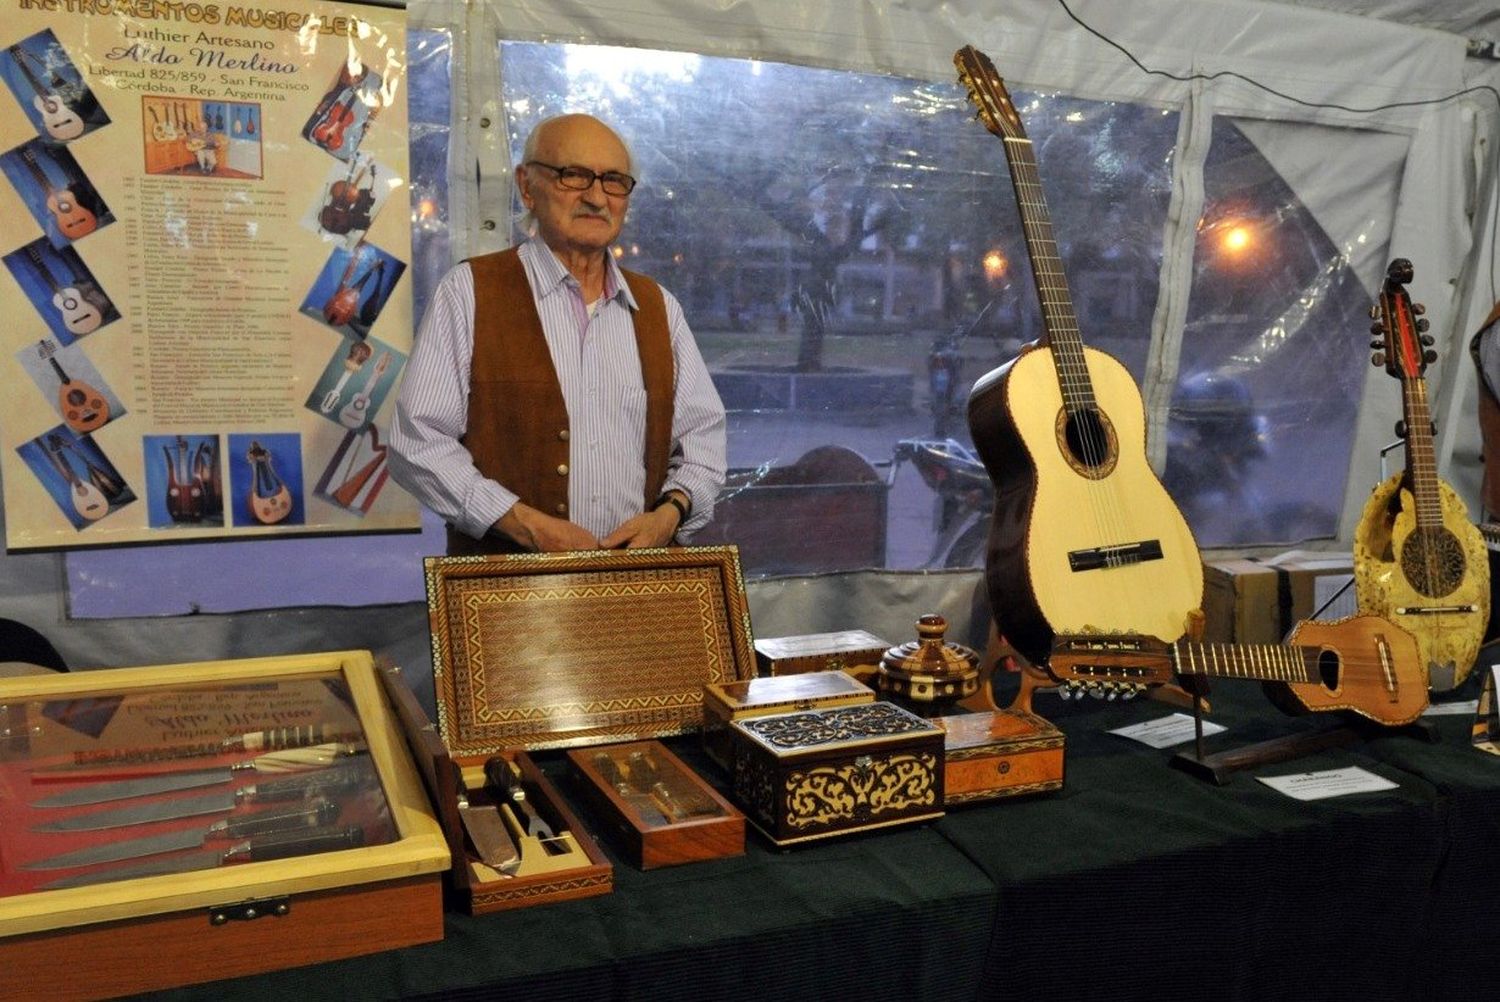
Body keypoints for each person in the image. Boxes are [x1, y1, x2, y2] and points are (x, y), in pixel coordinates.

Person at [389, 113, 726, 555]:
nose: (596, 197)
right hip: (508, 597)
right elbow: (418, 442)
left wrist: (670, 514)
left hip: (634, 588)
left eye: (614, 181)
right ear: (527, 186)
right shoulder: (471, 292)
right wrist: (524, 525)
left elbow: (703, 439)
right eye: (573, 176)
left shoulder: (658, 307)